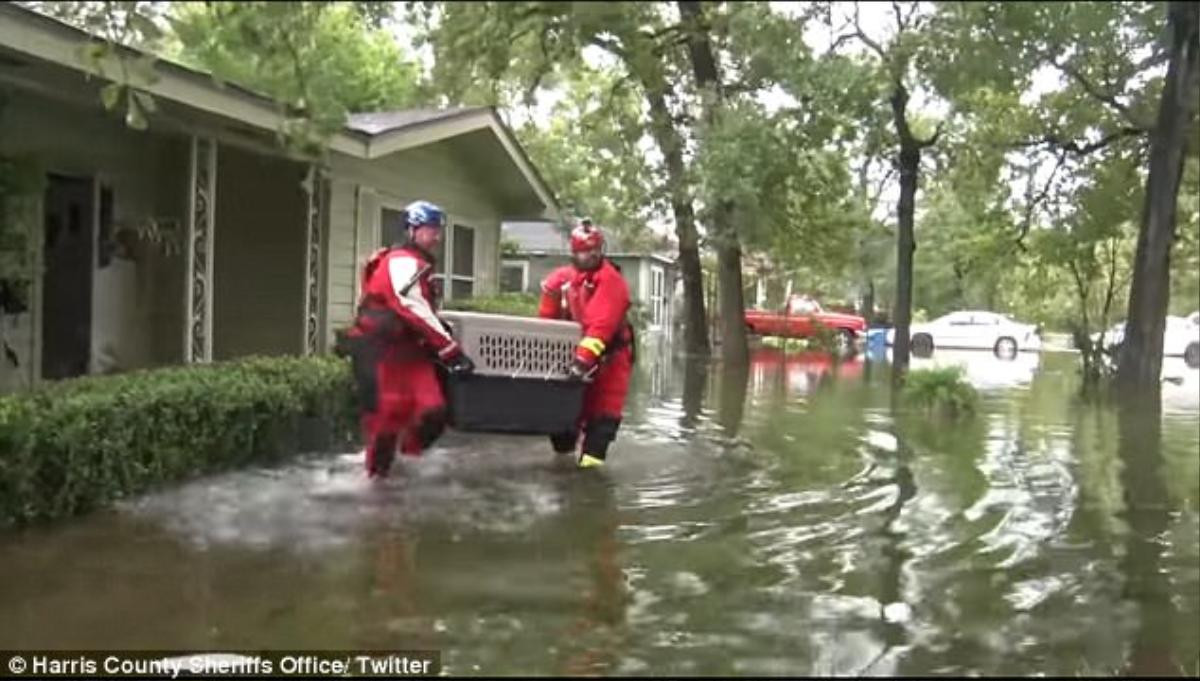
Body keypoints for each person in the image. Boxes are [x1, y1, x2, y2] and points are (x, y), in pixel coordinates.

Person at [345, 200, 475, 478]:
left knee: (435, 413)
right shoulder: (402, 262)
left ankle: (405, 468)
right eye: (430, 229)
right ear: (412, 230)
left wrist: (440, 333)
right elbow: (411, 305)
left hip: (410, 351)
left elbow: (422, 311)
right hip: (378, 351)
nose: (437, 236)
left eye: (438, 230)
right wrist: (450, 350)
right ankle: (376, 486)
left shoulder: (416, 263)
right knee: (385, 424)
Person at [538, 219, 634, 468]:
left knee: (601, 423)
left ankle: (590, 485)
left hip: (611, 363)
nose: (588, 256)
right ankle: (563, 469)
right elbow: (547, 321)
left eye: (593, 250)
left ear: (601, 250)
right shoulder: (568, 279)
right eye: (582, 251)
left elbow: (600, 327)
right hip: (582, 358)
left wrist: (580, 363)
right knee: (563, 425)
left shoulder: (611, 282)